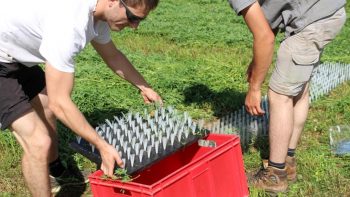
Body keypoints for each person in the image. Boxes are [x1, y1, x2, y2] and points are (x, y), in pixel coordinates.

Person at [0, 0, 162, 195]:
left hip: (15, 54)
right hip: (3, 59)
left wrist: (144, 87)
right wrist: (101, 145)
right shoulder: (69, 25)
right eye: (133, 17)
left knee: (46, 107)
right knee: (38, 142)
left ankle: (54, 171)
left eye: (139, 20)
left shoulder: (97, 15)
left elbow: (112, 55)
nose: (135, 26)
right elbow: (60, 102)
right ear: (113, 2)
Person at [228, 0, 346, 194]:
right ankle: (288, 161)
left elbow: (264, 36)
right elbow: (268, 25)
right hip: (328, 12)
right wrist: (257, 62)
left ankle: (275, 175)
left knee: (279, 95)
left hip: (311, 22)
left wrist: (254, 88)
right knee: (299, 88)